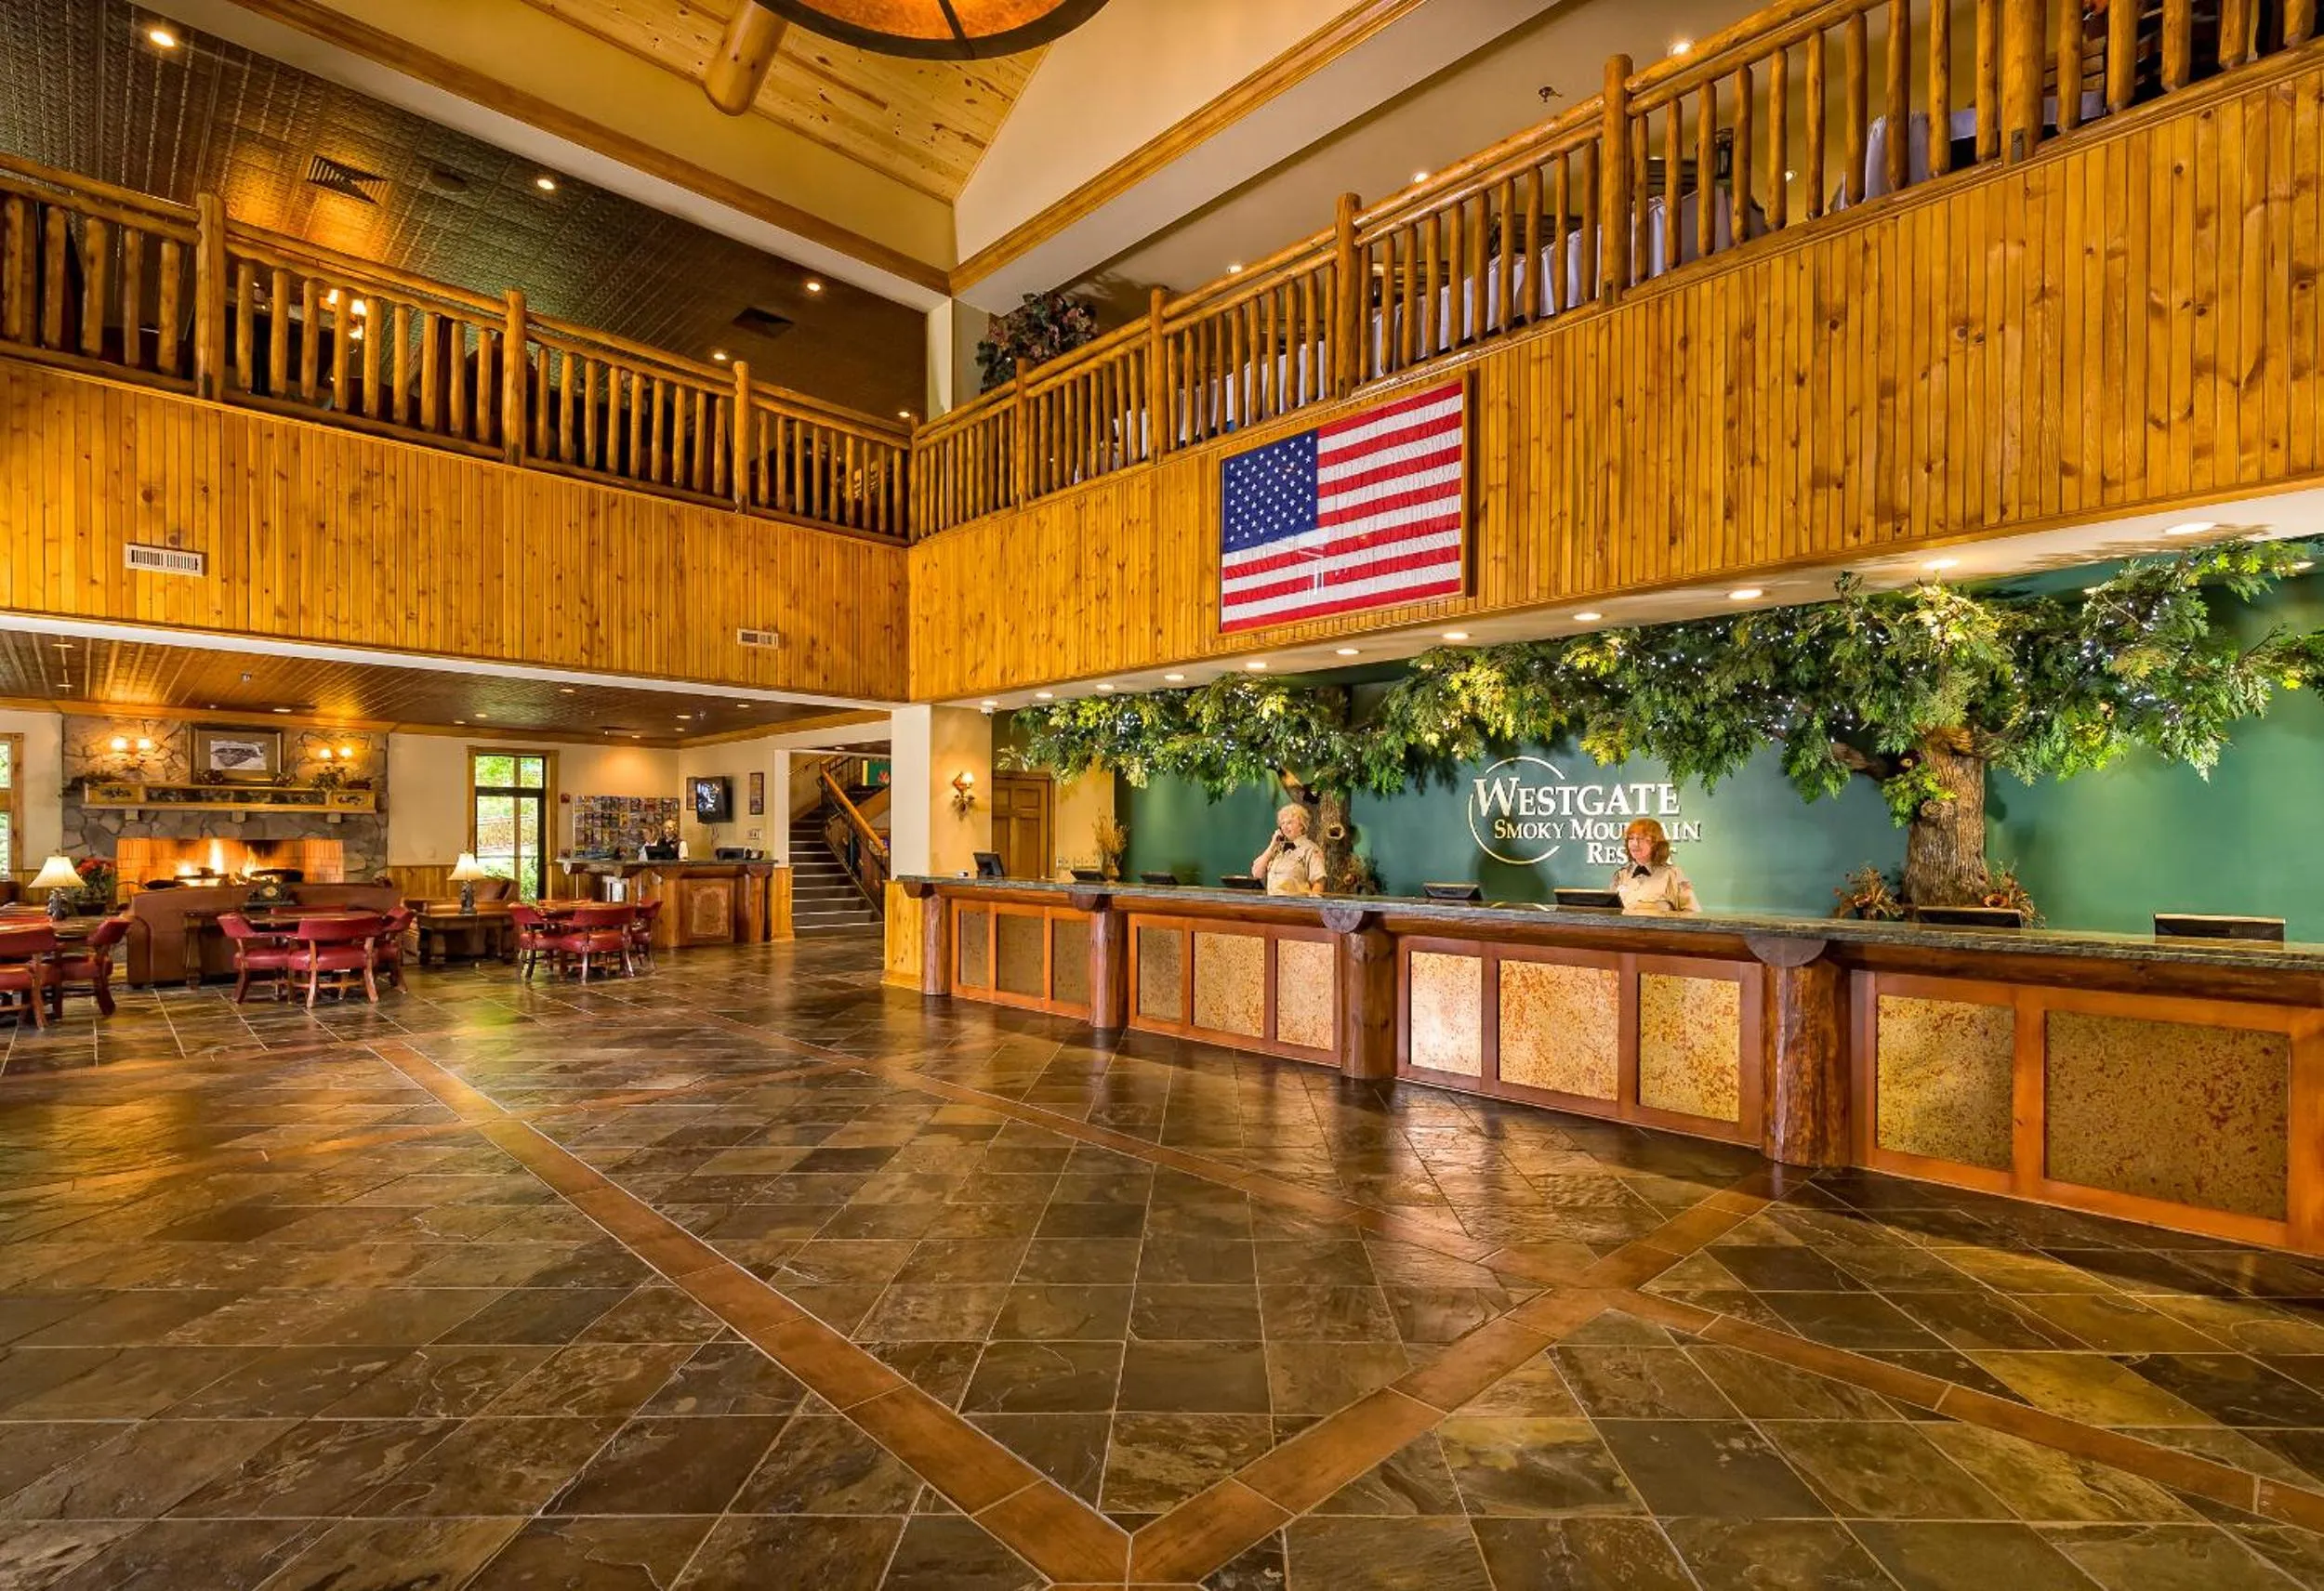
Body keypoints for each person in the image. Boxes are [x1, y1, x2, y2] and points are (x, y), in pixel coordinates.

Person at [1612, 817, 1698, 912]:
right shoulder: (1621, 875)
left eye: (1641, 838)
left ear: (1656, 844)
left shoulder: (1672, 875)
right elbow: (1610, 912)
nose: (1635, 844)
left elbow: (1692, 913)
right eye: (1631, 838)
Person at [1252, 803, 1327, 896]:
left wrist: (1311, 905)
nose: (1285, 827)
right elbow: (1257, 873)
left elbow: (1319, 882)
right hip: (1271, 906)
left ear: (1301, 826)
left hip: (1296, 907)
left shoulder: (1310, 849)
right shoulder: (1276, 849)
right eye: (1282, 823)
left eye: (1289, 823)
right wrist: (1272, 846)